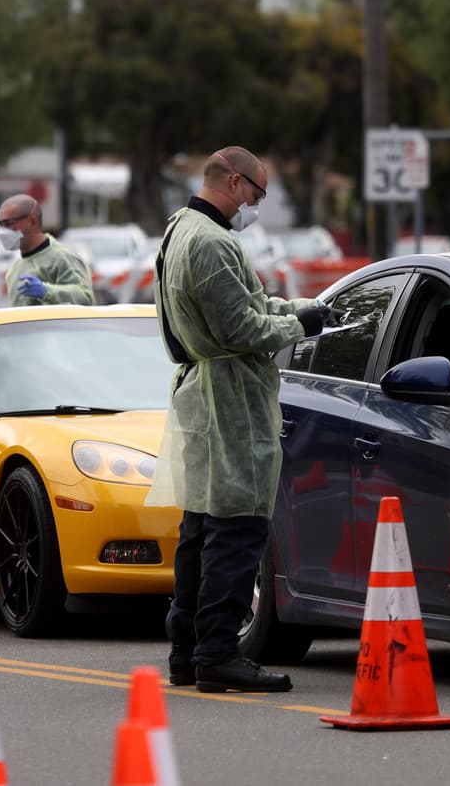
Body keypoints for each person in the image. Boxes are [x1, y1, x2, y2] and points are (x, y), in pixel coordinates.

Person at [147, 146, 342, 694]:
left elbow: (244, 305)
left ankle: (186, 651)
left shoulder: (179, 229)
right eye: (256, 195)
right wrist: (301, 327)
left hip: (204, 394)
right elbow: (240, 330)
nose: (254, 207)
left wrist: (298, 308)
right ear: (234, 182)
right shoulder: (211, 241)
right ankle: (217, 653)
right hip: (229, 398)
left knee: (201, 528)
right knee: (237, 529)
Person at [0, 194, 95, 306]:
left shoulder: (62, 258)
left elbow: (86, 298)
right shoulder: (15, 268)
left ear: (32, 221)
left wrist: (46, 291)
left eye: (9, 224)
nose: (2, 232)